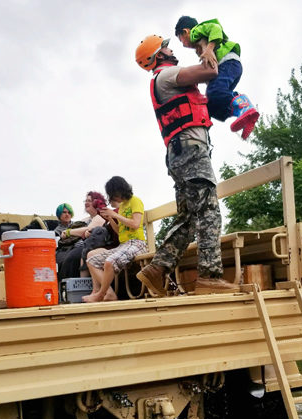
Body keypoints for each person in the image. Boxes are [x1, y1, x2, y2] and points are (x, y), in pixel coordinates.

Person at [134, 35, 238, 296]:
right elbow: (211, 70)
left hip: (181, 153)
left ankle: (157, 270)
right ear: (159, 56)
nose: (173, 49)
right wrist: (207, 46)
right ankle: (209, 278)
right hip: (191, 152)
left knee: (189, 218)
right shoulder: (166, 75)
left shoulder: (163, 79)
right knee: (209, 211)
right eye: (167, 47)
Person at [174, 16, 259, 140]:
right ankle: (243, 115)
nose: (183, 45)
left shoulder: (196, 31)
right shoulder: (200, 42)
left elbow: (216, 27)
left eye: (181, 40)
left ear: (186, 31)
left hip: (228, 63)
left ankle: (244, 105)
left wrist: (209, 48)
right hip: (230, 68)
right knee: (212, 105)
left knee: (214, 91)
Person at [82, 177, 148, 303]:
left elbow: (135, 224)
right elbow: (119, 232)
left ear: (119, 190)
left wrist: (115, 215)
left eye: (112, 194)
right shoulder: (122, 206)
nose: (112, 198)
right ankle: (108, 293)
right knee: (91, 260)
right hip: (124, 245)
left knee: (110, 262)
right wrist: (111, 219)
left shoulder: (135, 201)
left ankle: (101, 294)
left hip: (137, 243)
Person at [56, 192, 109, 281]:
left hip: (89, 247)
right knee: (59, 258)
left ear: (97, 202)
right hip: (73, 247)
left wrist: (69, 232)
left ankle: (73, 289)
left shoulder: (100, 217)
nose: (86, 203)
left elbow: (90, 229)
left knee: (72, 258)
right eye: (86, 200)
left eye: (90, 201)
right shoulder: (86, 219)